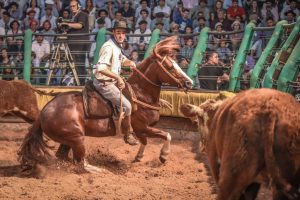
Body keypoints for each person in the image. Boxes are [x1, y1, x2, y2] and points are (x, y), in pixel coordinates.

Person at [93, 19, 139, 146]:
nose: (121, 35)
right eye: (118, 32)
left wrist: (129, 62)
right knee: (128, 106)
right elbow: (101, 68)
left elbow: (121, 59)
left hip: (111, 82)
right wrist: (118, 78)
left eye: (123, 33)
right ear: (113, 32)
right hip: (104, 84)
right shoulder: (108, 47)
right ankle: (128, 134)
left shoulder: (117, 46)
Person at [58, 0, 89, 85]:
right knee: (73, 66)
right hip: (72, 45)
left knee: (79, 66)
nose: (72, 8)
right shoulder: (72, 16)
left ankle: (81, 84)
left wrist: (67, 24)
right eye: (71, 6)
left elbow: (80, 25)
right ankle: (74, 83)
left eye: (74, 6)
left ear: (79, 6)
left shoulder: (82, 14)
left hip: (79, 45)